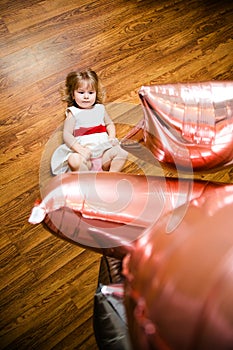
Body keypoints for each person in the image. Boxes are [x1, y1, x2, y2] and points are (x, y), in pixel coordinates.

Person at [51, 69, 128, 174]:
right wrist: (80, 150)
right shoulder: (73, 112)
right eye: (81, 92)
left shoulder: (100, 109)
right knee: (73, 159)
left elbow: (109, 124)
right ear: (73, 95)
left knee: (122, 152)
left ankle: (112, 175)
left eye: (91, 92)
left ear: (96, 93)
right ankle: (87, 180)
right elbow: (67, 134)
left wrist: (111, 137)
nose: (86, 96)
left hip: (104, 154)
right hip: (86, 158)